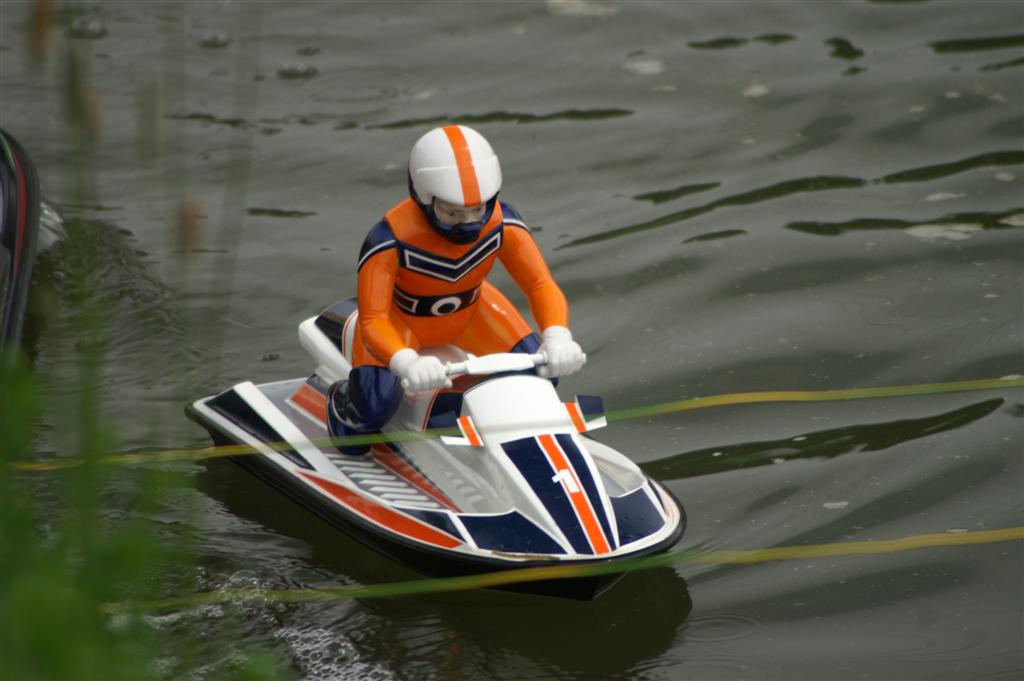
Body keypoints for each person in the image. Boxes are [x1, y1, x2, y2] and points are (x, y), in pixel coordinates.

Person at [327, 124, 585, 454]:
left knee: (540, 372)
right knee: (366, 417)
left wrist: (557, 336)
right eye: (452, 212)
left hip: (472, 310)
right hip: (401, 321)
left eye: (478, 209)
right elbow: (374, 319)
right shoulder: (388, 241)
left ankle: (509, 434)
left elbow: (540, 284)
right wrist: (406, 362)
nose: (469, 222)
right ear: (424, 199)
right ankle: (340, 400)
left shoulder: (504, 224)